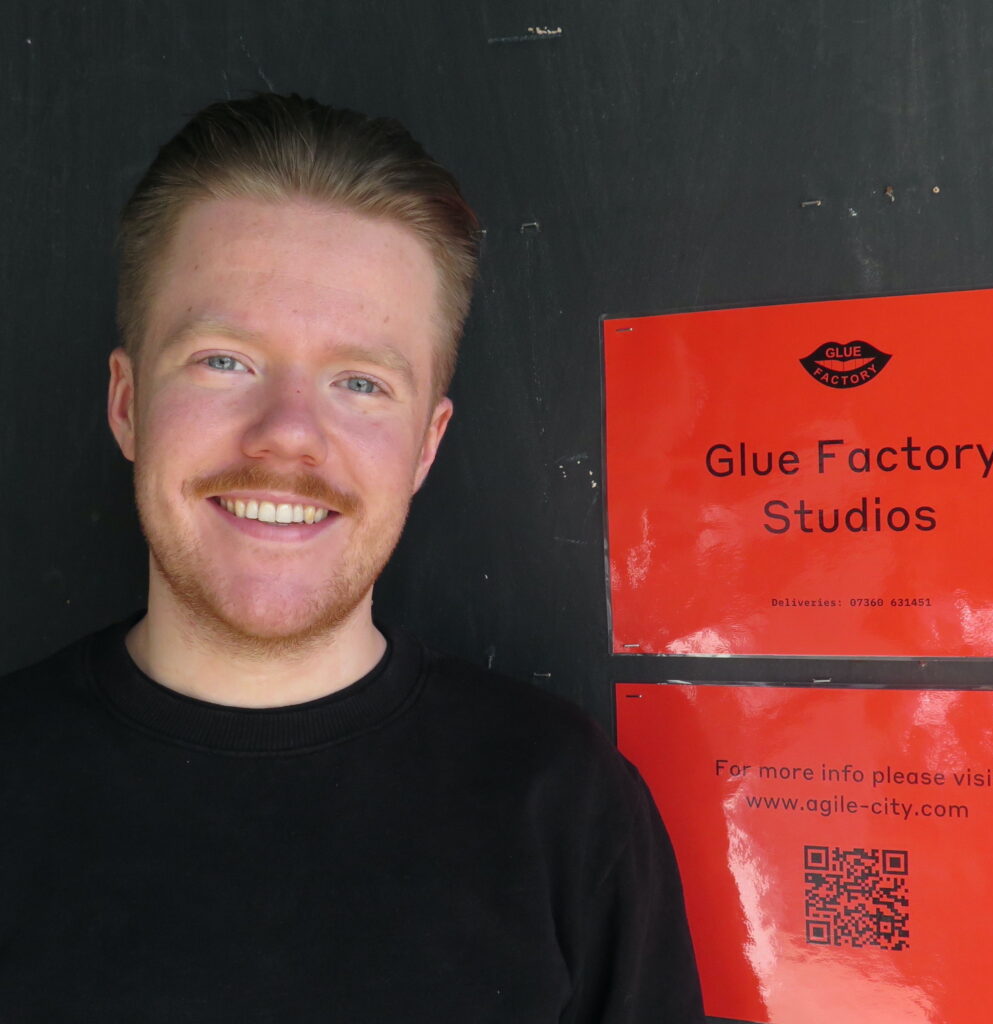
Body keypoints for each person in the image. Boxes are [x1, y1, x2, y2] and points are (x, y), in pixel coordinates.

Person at [0, 93, 704, 1022]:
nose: (287, 436)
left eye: (360, 382)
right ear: (127, 405)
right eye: (224, 360)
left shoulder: (564, 809)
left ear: (425, 446)